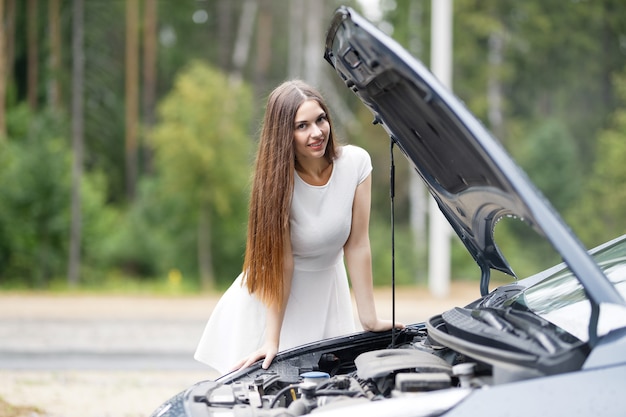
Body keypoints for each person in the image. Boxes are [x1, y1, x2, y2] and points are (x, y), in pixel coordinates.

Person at [194, 80, 403, 374]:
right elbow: (283, 263)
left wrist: (369, 319)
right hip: (273, 300)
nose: (316, 132)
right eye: (301, 126)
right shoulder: (276, 184)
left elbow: (357, 244)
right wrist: (272, 340)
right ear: (284, 134)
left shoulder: (356, 163)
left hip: (329, 291)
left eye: (320, 119)